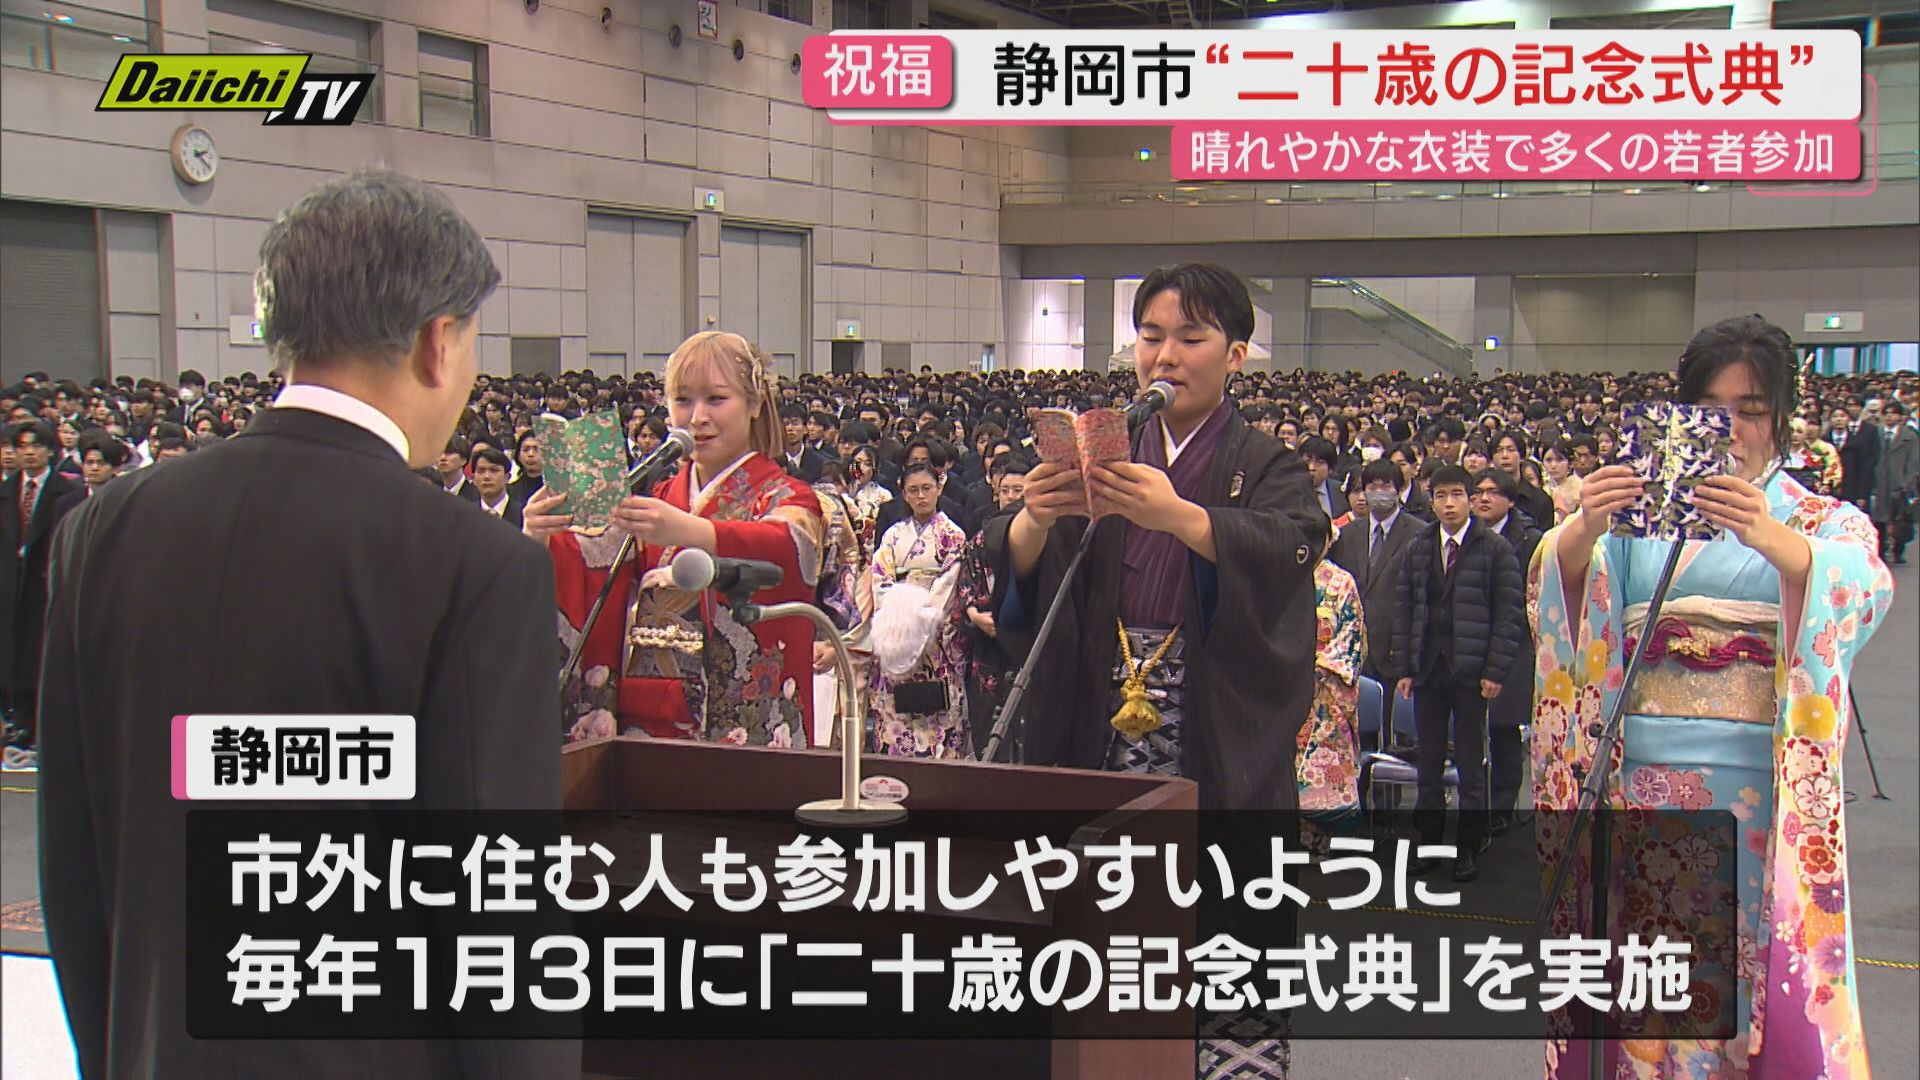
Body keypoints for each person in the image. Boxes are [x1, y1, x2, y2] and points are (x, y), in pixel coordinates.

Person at [35, 168, 577, 1077]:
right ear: (438, 341)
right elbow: (494, 913)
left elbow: (76, 870)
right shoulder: (473, 563)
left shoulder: (102, 530)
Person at [1531, 315, 1892, 1079]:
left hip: (1755, 801)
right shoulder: (1636, 525)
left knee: (1743, 990)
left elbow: (1862, 587)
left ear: (1783, 416)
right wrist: (1582, 531)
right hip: (1642, 794)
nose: (1732, 428)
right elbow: (1561, 600)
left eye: (1752, 408)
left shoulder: (1821, 521)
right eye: (1711, 408)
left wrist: (1782, 546)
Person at [990, 262, 1326, 1079]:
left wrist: (1185, 519)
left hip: (1213, 731)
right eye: (1150, 337)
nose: (1165, 355)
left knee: (1225, 937)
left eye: (1190, 338)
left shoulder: (1266, 463)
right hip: (1101, 724)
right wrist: (1034, 520)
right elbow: (1033, 582)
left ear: (1236, 355)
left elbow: (1293, 543)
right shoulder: (1108, 453)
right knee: (1106, 940)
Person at [539, 331, 824, 746]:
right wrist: (542, 539)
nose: (697, 416)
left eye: (716, 398)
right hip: (652, 715)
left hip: (743, 722)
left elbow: (788, 547)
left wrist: (690, 530)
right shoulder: (659, 497)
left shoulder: (787, 496)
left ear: (755, 405)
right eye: (683, 400)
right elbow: (591, 567)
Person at [1389, 463, 1525, 883]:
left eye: (1457, 495)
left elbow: (1508, 616)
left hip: (1472, 671)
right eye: (1441, 496)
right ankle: (1429, 843)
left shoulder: (1495, 549)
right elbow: (1404, 609)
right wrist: (1404, 667)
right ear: (1431, 501)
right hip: (1429, 670)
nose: (1449, 504)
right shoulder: (1419, 546)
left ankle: (1467, 846)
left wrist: (1495, 670)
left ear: (1471, 499)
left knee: (1471, 765)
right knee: (1428, 765)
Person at [867, 462, 971, 757]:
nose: (921, 496)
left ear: (939, 488)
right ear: (904, 494)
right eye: (913, 490)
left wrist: (922, 619)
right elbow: (880, 579)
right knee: (895, 715)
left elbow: (947, 586)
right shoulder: (893, 535)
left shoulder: (953, 536)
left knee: (939, 712)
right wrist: (898, 619)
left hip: (935, 639)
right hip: (896, 631)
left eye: (927, 488)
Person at [3, 419, 84, 768]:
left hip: (45, 585)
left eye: (36, 445)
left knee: (39, 655)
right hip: (10, 586)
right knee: (12, 652)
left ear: (50, 450)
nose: (29, 452)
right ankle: (17, 720)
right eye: (22, 446)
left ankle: (39, 725)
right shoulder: (7, 491)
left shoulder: (66, 492)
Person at [1469, 467, 1542, 836]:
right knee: (1470, 729)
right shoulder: (1463, 535)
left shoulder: (1530, 540)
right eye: (1478, 492)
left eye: (1493, 492)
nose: (1484, 498)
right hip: (1470, 642)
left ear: (1511, 501)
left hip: (1513, 644)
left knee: (1503, 729)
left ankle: (1501, 806)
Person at [1297, 541, 1365, 848]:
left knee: (1325, 769)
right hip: (1282, 689)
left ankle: (1322, 841)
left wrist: (1320, 669)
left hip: (1325, 691)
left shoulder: (1341, 582)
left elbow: (1352, 633)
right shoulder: (1277, 574)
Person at [1871, 398, 1917, 564]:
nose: (1889, 417)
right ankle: (1881, 551)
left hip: (1899, 484)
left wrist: (1906, 483)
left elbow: (1913, 462)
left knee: (1899, 520)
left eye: (1893, 413)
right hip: (1879, 483)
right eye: (1886, 413)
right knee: (1879, 520)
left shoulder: (1909, 437)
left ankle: (1898, 550)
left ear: (1900, 416)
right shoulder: (1876, 434)